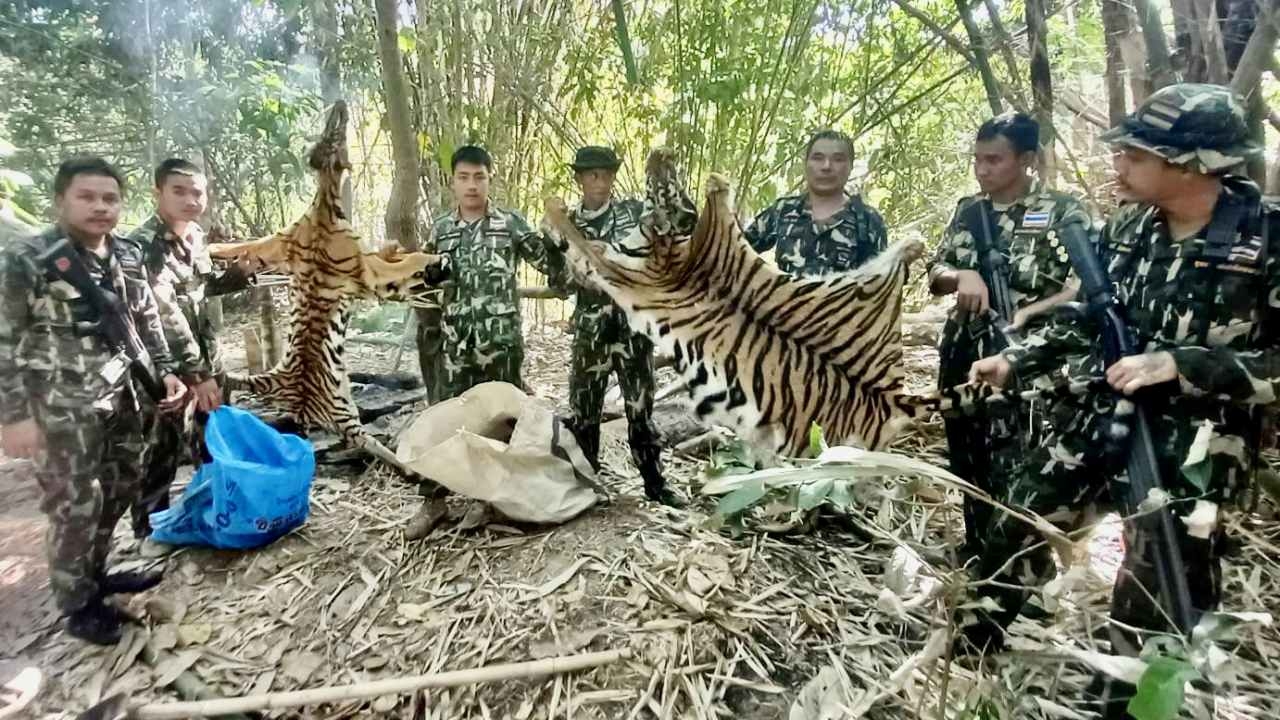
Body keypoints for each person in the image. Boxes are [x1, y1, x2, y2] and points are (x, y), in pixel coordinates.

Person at [967, 84, 1278, 715]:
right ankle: (971, 650)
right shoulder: (1131, 226)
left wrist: (1182, 365)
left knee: (1158, 588)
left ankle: (1119, 703)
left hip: (1194, 444)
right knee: (1018, 525)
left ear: (1194, 165)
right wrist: (1017, 357)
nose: (1119, 166)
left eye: (1136, 156)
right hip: (1097, 413)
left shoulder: (1266, 238)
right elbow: (1091, 313)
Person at [0, 157, 190, 644]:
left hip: (124, 397)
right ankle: (77, 604)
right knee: (74, 505)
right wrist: (13, 415)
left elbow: (146, 320)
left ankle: (97, 574)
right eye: (87, 197)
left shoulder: (125, 253)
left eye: (110, 199)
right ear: (60, 200)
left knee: (122, 487)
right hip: (60, 406)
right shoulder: (27, 258)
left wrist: (165, 373)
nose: (101, 208)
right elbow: (3, 339)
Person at [926, 112, 1091, 556]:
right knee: (966, 452)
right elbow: (935, 270)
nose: (982, 170)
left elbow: (1085, 285)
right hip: (965, 349)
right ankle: (977, 549)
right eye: (977, 160)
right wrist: (961, 275)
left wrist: (1030, 312)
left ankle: (1023, 569)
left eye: (994, 160)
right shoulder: (969, 210)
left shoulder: (1062, 211)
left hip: (1030, 356)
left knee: (1020, 461)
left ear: (1028, 159)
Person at [407, 145, 567, 539]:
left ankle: (489, 499)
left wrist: (560, 233)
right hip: (457, 346)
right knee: (445, 420)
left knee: (499, 425)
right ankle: (434, 501)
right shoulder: (442, 230)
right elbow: (423, 278)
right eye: (464, 177)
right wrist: (424, 276)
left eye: (479, 177)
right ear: (453, 183)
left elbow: (551, 265)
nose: (472, 185)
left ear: (489, 179)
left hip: (501, 345)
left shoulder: (510, 223)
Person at [129, 158, 255, 538]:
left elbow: (199, 291)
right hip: (166, 368)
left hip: (206, 356)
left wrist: (235, 278)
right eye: (179, 191)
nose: (190, 199)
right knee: (162, 447)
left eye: (197, 191)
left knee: (214, 435)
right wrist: (197, 375)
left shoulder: (195, 236)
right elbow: (164, 313)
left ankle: (218, 509)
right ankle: (150, 530)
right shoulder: (142, 246)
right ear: (157, 193)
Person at [557, 146, 679, 506]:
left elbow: (664, 239)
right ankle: (585, 486)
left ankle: (655, 485)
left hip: (633, 329)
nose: (600, 181)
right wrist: (575, 271)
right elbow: (558, 281)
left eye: (606, 174)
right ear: (579, 178)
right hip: (590, 332)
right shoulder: (566, 223)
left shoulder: (633, 213)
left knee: (640, 411)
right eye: (592, 174)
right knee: (584, 411)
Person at [743, 129, 887, 276]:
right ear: (805, 164)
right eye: (818, 158)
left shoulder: (868, 221)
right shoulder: (783, 210)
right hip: (786, 298)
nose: (826, 166)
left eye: (837, 159)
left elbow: (881, 285)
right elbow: (734, 252)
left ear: (850, 166)